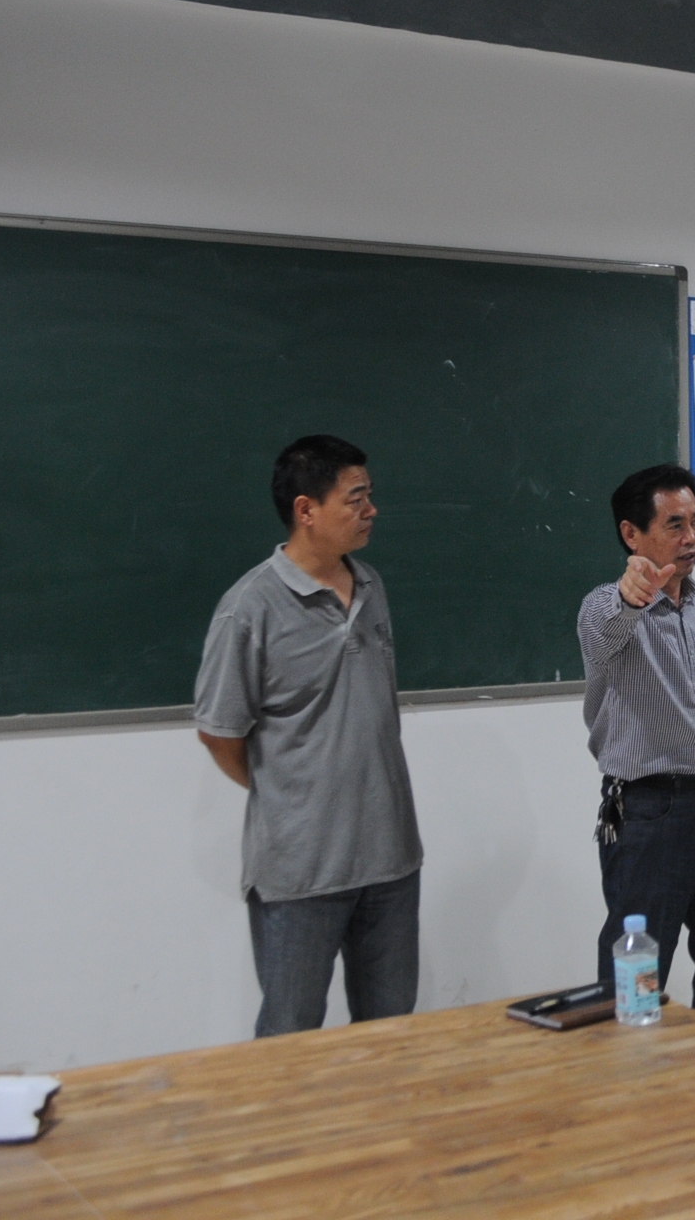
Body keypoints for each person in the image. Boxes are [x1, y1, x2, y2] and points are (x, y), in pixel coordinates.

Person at [193, 434, 425, 1037]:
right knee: (290, 1039)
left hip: (390, 858)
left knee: (391, 1034)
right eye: (355, 498)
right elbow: (219, 733)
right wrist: (290, 792)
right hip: (300, 870)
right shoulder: (249, 608)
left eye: (369, 495)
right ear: (306, 510)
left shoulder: (371, 587)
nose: (371, 509)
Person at [578, 463, 695, 1025]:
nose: (691, 537)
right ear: (632, 534)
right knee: (637, 974)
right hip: (648, 814)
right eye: (674, 525)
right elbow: (605, 637)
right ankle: (626, 1073)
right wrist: (632, 599)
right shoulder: (605, 606)